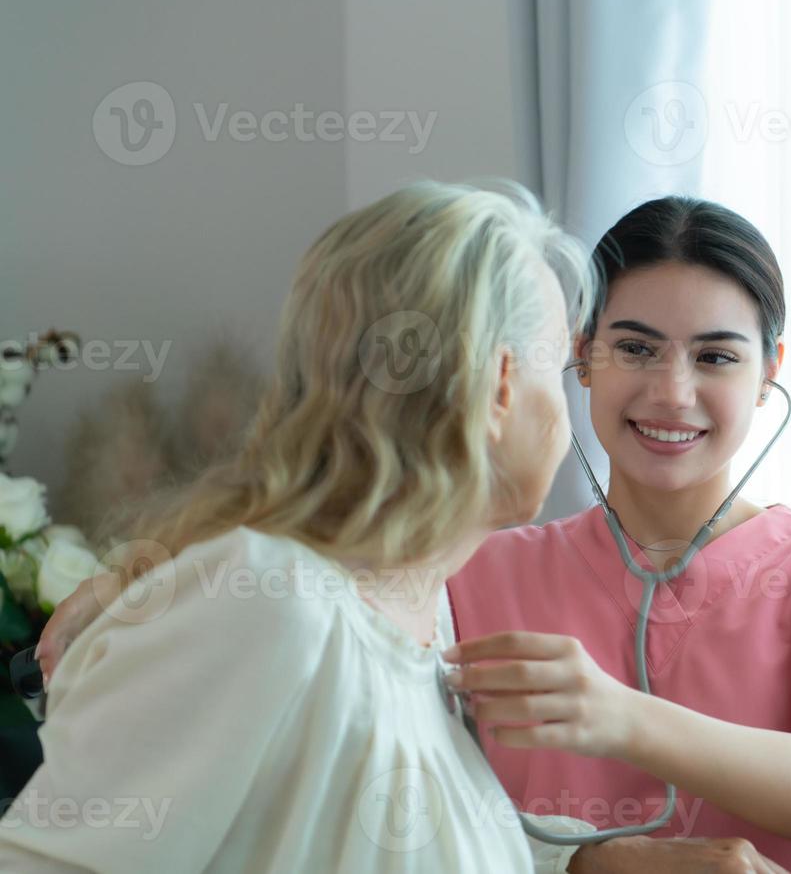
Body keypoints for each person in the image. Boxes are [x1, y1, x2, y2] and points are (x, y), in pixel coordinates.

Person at [4, 180, 591, 872]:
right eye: (558, 366)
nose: (567, 408)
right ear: (499, 384)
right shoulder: (269, 601)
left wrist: (590, 859)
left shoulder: (418, 619)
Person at [443, 197, 791, 874]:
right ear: (583, 354)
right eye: (635, 348)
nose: (673, 392)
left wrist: (624, 720)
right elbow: (421, 811)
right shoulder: (474, 568)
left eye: (715, 357)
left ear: (768, 374)